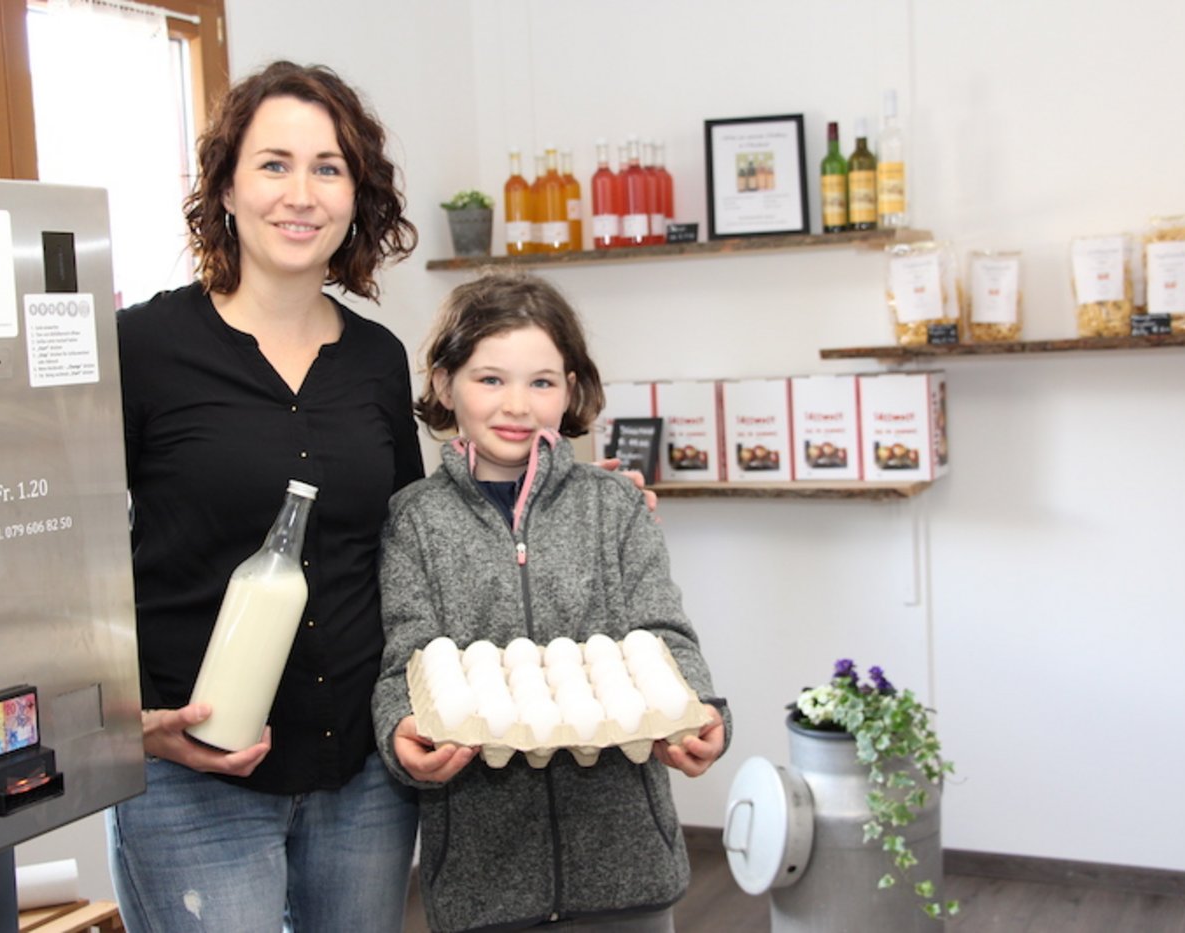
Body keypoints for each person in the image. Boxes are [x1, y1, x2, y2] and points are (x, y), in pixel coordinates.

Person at [109, 61, 424, 932]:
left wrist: (573, 498)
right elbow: (62, 549)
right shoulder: (143, 347)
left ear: (358, 194)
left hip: (361, 772)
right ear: (227, 186)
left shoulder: (377, 358)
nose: (303, 193)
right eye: (274, 163)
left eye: (329, 167)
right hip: (194, 769)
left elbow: (413, 543)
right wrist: (125, 722)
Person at [372, 270, 732, 932]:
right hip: (485, 879)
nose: (518, 403)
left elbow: (665, 634)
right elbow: (406, 659)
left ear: (571, 389)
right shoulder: (415, 520)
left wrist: (703, 708)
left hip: (627, 867)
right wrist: (401, 730)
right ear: (446, 383)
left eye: (541, 381)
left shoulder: (614, 505)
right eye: (490, 378)